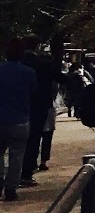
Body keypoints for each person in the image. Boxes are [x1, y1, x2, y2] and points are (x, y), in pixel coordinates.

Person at [0, 41, 37, 202]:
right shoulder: (29, 72)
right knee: (17, 156)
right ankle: (11, 188)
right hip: (20, 119)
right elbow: (33, 93)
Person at [21, 38, 57, 180]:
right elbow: (58, 79)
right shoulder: (44, 65)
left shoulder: (19, 63)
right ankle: (27, 172)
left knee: (15, 145)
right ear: (37, 46)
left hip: (20, 106)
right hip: (40, 105)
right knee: (34, 139)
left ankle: (11, 176)